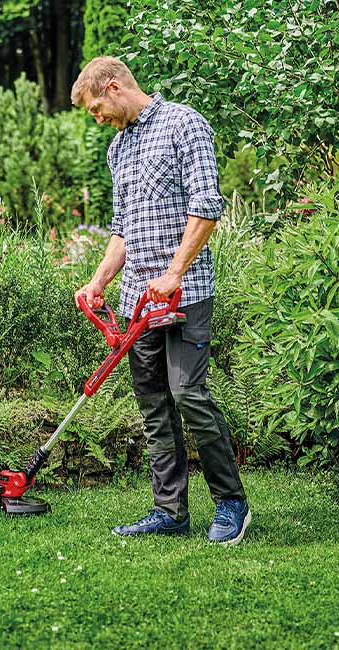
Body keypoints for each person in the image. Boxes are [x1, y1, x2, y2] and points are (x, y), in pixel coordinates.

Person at [72, 56, 251, 545]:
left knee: (188, 394)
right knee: (153, 404)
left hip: (185, 292)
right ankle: (170, 511)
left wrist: (174, 273)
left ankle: (232, 503)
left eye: (95, 108)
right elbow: (123, 229)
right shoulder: (117, 148)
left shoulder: (184, 124)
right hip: (138, 301)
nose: (97, 117)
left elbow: (207, 206)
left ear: (112, 86)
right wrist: (99, 280)